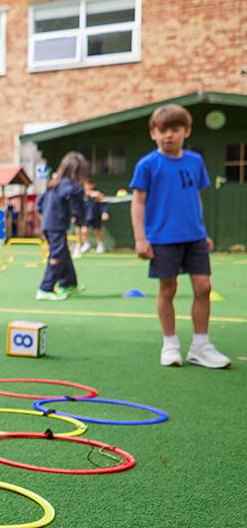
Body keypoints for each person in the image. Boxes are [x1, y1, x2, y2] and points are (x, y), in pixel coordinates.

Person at [130, 104, 230, 368]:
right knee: (168, 288)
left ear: (186, 131)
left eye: (175, 129)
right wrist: (141, 238)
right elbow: (138, 202)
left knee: (204, 288)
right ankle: (170, 344)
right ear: (153, 133)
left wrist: (202, 231)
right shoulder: (147, 165)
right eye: (162, 130)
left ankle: (201, 346)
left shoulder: (195, 161)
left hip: (194, 236)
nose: (168, 135)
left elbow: (194, 197)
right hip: (162, 238)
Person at [35, 152, 87, 300]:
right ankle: (45, 288)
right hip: (55, 225)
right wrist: (83, 191)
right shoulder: (66, 184)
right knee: (57, 254)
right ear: (74, 171)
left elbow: (39, 203)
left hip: (51, 223)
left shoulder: (54, 184)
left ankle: (69, 284)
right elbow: (69, 192)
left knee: (63, 253)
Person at [76, 178, 109, 255]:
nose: (88, 186)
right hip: (85, 216)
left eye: (90, 184)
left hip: (95, 215)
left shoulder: (98, 194)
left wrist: (105, 212)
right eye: (86, 184)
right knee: (83, 230)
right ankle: (86, 244)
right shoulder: (81, 194)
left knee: (97, 231)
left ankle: (100, 245)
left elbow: (103, 203)